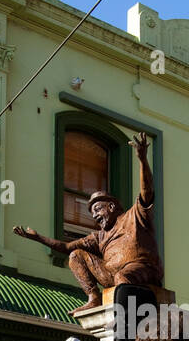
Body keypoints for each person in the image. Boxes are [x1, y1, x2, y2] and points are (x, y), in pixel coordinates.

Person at [13, 132, 163, 316]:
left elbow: (147, 191)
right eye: (92, 214)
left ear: (111, 206)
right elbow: (67, 246)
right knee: (76, 255)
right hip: (115, 276)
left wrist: (142, 159)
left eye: (98, 210)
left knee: (122, 277)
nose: (95, 216)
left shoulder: (135, 215)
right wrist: (37, 238)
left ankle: (130, 320)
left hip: (143, 270)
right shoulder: (99, 236)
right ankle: (94, 298)